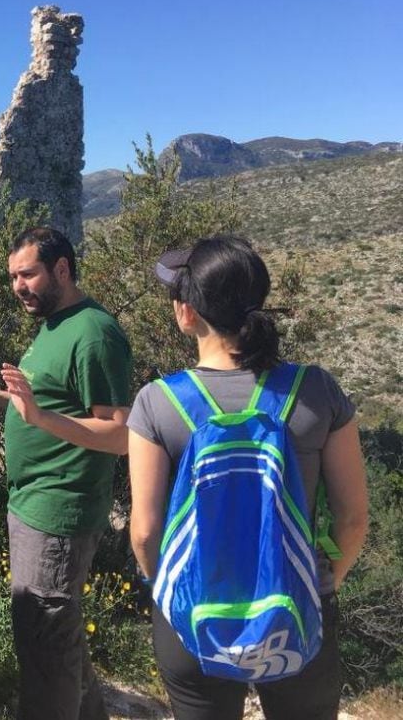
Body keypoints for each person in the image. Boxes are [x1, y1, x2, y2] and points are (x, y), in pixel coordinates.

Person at [127, 235, 368, 720]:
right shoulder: (316, 391)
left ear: (185, 312)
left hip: (194, 615)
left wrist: (168, 592)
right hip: (298, 608)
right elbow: (353, 519)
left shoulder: (158, 403)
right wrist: (325, 582)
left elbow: (145, 532)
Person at [0, 226, 131, 720]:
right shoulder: (55, 325)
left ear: (62, 269)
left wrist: (40, 418)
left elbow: (121, 433)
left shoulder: (94, 333)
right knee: (57, 635)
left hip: (59, 512)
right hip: (32, 506)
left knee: (43, 643)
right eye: (12, 277)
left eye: (27, 274)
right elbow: (46, 402)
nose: (18, 286)